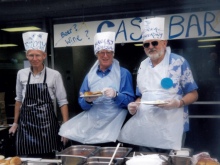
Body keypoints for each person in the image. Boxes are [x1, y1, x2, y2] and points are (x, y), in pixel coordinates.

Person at [118, 17, 198, 153]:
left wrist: (178, 103)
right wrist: (135, 106)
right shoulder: (143, 66)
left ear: (164, 42)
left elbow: (193, 94)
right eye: (146, 44)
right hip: (147, 127)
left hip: (172, 127)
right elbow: (142, 96)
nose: (151, 47)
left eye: (154, 43)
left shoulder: (178, 62)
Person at [59, 31, 135, 145]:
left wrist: (116, 95)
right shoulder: (90, 76)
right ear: (96, 54)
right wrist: (87, 100)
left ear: (113, 53)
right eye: (102, 52)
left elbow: (130, 103)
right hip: (94, 127)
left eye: (109, 52)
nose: (105, 55)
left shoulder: (123, 74)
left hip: (115, 128)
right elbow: (82, 103)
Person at [8, 31, 69, 157]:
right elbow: (18, 100)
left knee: (48, 159)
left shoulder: (54, 75)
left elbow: (62, 102)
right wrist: (15, 123)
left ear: (44, 55)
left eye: (37, 55)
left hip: (48, 127)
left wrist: (65, 128)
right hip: (26, 127)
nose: (34, 59)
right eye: (31, 55)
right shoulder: (21, 74)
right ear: (26, 55)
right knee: (28, 160)